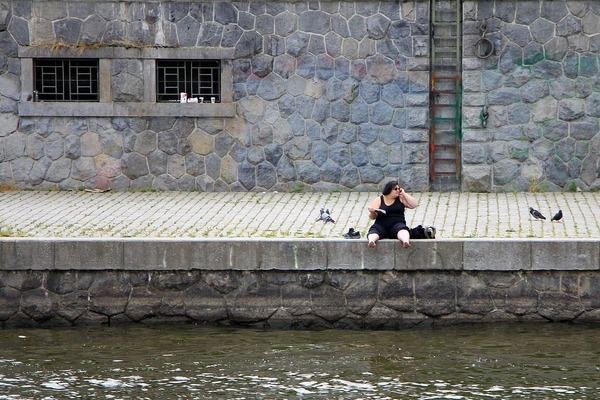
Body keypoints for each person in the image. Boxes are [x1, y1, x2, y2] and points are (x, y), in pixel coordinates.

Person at [366, 180, 418, 248]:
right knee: (374, 230)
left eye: (399, 189)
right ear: (389, 190)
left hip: (397, 224)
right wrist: (372, 212)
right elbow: (372, 217)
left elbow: (413, 205)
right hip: (381, 225)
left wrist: (404, 194)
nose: (398, 190)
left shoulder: (401, 198)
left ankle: (405, 241)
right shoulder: (379, 199)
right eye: (395, 189)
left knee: (403, 229)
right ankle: (371, 241)